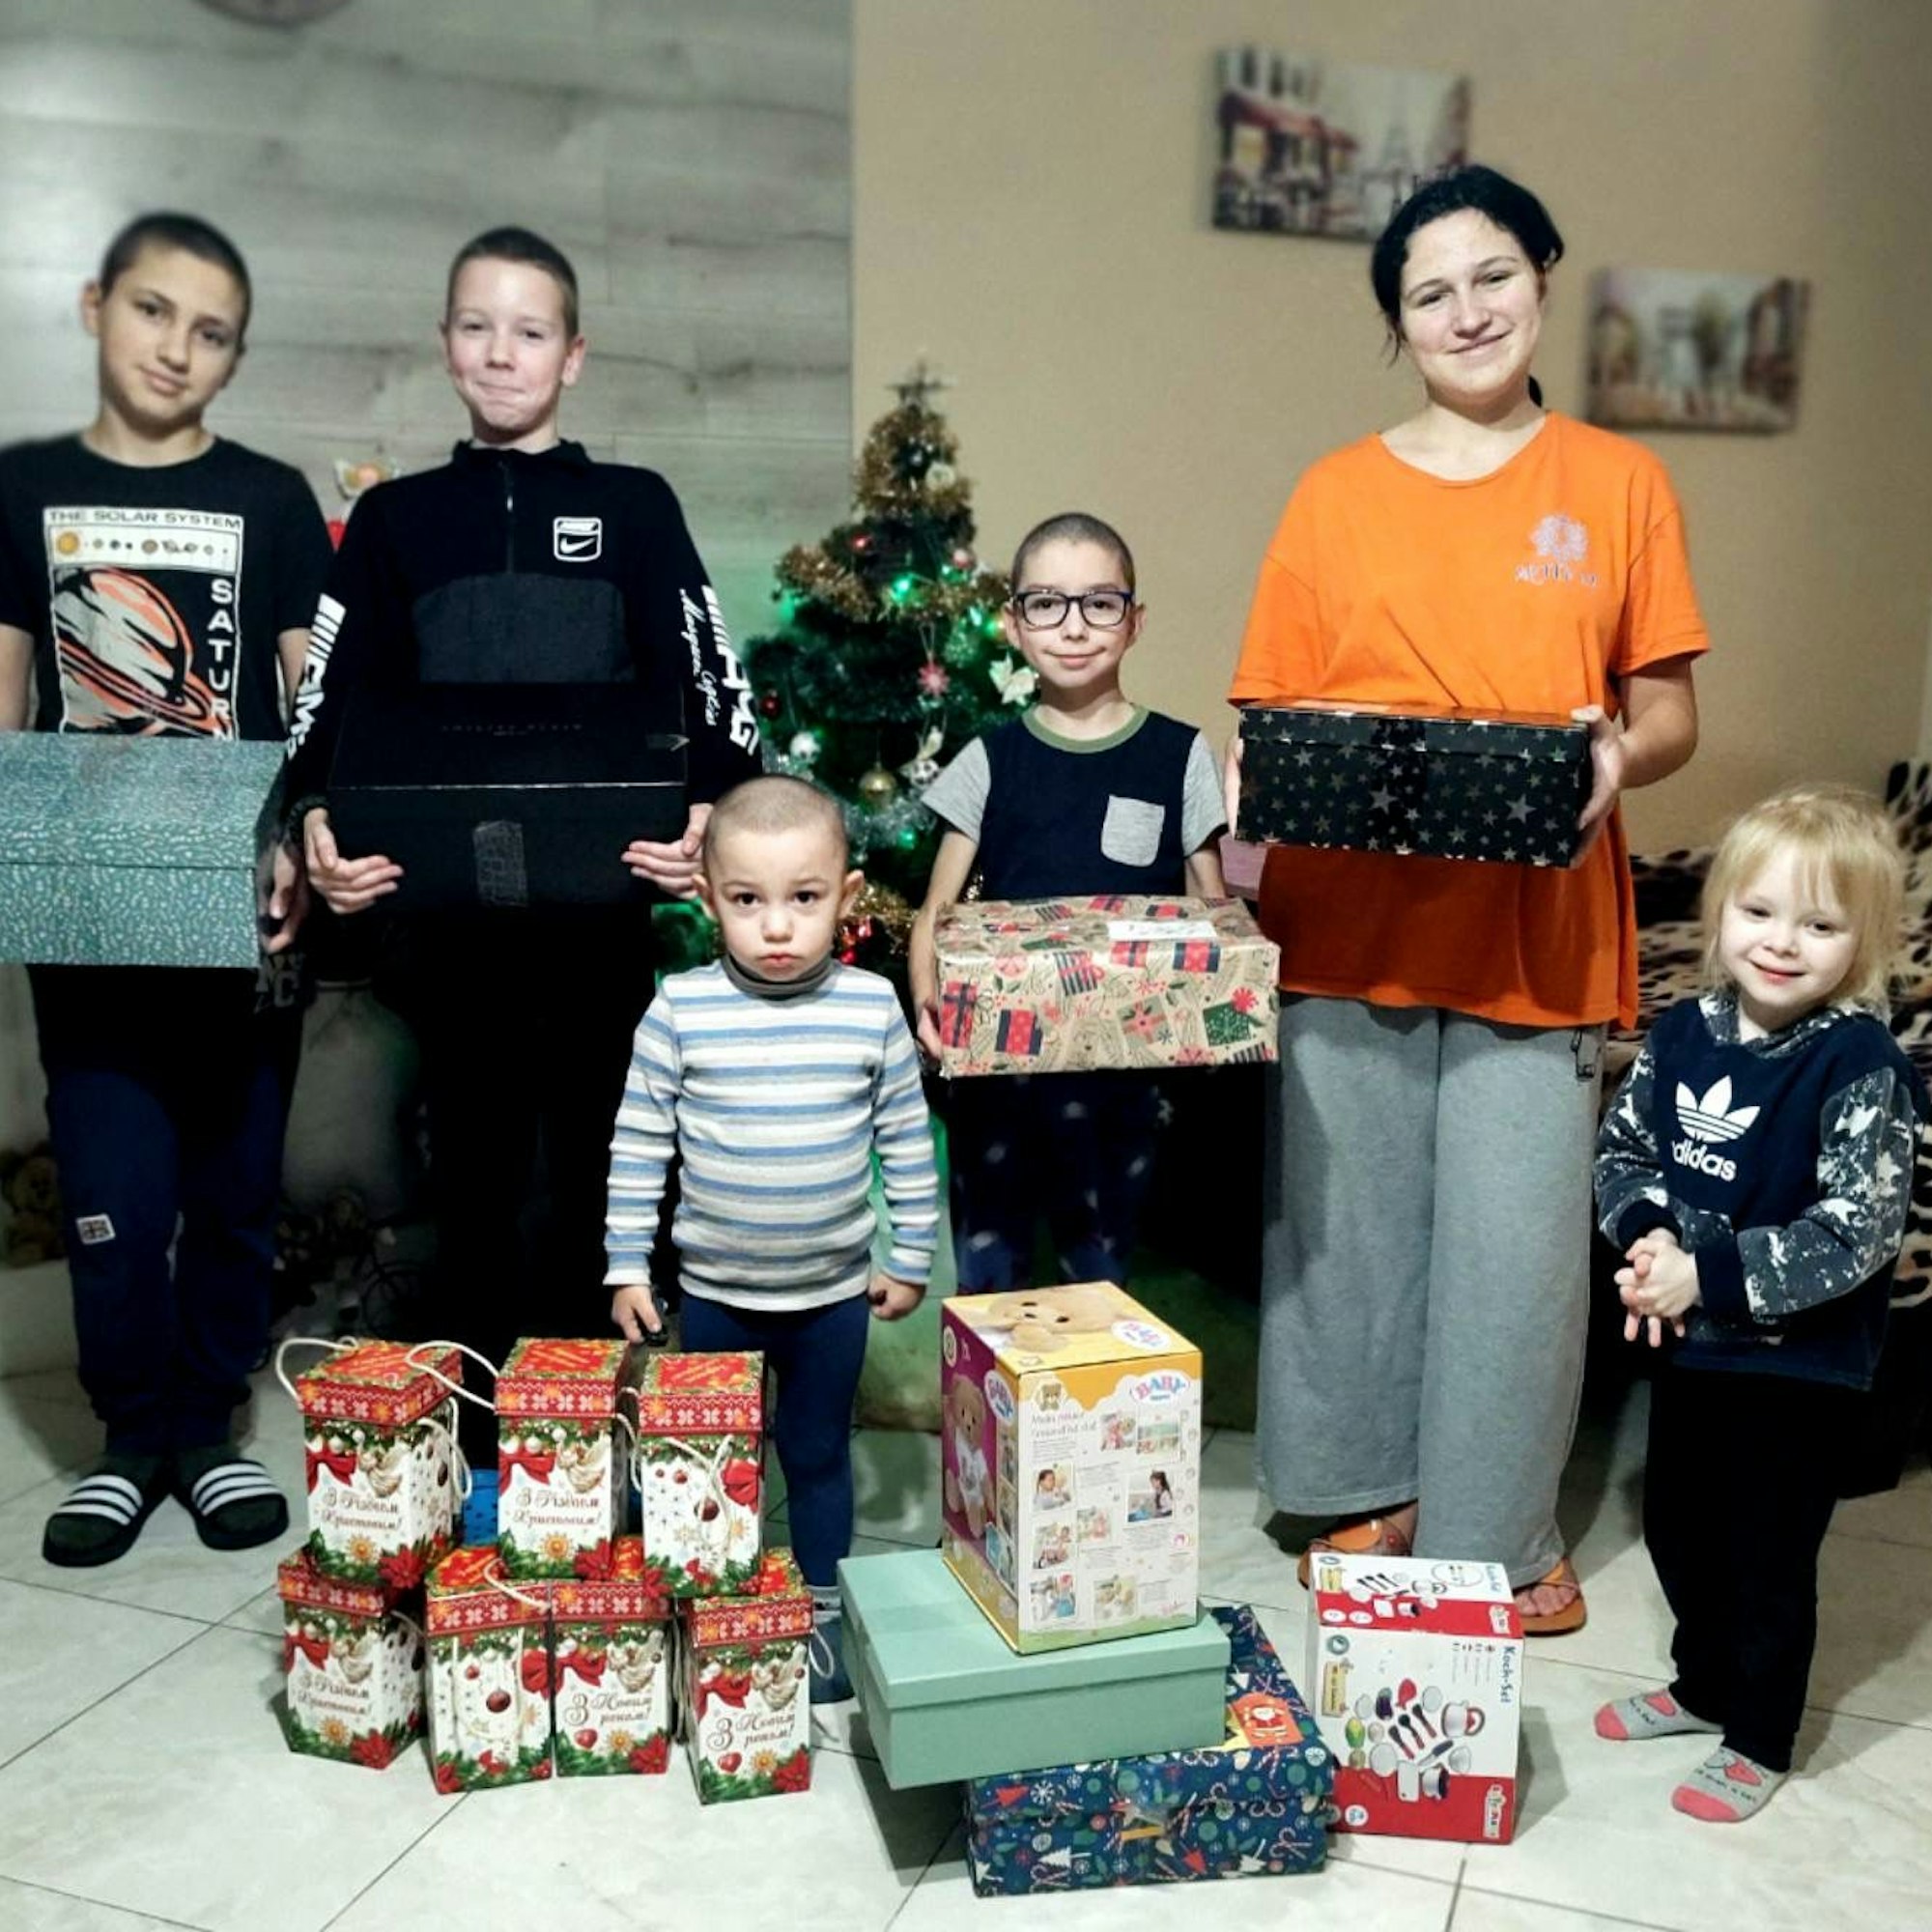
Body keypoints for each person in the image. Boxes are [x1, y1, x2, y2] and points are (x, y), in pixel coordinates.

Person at [1227, 165, 1707, 1634]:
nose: (1467, 310)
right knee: (1349, 1237)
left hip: (1539, 929)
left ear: (1543, 279)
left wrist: (1616, 756)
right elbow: (1265, 713)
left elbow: (1671, 711)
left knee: (1513, 1255)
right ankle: (1364, 1487)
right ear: (1399, 324)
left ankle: (1503, 1539)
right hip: (1351, 922)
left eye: (1492, 275)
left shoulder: (1618, 483)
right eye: (1430, 292)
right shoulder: (1333, 490)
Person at [283, 226, 759, 1463]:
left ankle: (597, 1433)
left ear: (575, 354)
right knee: (474, 1180)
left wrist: (709, 820)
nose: (502, 353)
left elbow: (712, 684)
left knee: (605, 1175)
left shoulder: (635, 509)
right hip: (444, 932)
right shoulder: (393, 521)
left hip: (600, 928)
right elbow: (329, 706)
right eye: (477, 325)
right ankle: (494, 1458)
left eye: (531, 330)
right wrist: (315, 821)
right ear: (445, 343)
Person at [0, 212, 331, 1565]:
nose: (174, 349)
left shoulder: (269, 495)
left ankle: (209, 1432)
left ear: (235, 355)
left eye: (209, 332)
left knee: (236, 1191)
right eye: (152, 312)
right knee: (112, 1196)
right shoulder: (20, 489)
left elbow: (311, 698)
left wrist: (303, 842)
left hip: (240, 906)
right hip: (86, 905)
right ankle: (126, 1440)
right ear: (95, 307)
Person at [1593, 784, 1926, 1821]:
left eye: (1820, 924)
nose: (1782, 943)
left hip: (1798, 1362)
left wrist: (1710, 1271)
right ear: (1720, 912)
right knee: (1678, 1527)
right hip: (1692, 1349)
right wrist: (1645, 1231)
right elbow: (1624, 1147)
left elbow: (1856, 1231)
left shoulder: (1858, 1061)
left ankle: (1759, 1729)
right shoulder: (1683, 1029)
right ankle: (1702, 1684)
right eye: (1759, 912)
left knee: (1766, 1552)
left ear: (1860, 941)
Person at [604, 776, 938, 1701]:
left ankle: (824, 1607)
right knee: (716, 1457)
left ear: (849, 894)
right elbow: (638, 1145)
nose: (778, 928)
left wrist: (909, 1255)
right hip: (713, 1297)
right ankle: (718, 1604)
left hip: (831, 1298)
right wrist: (627, 1264)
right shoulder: (680, 1010)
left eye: (805, 899)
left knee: (819, 1453)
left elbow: (907, 1142)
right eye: (748, 901)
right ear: (710, 899)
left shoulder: (871, 1008)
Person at [912, 512, 1227, 1290]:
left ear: (1134, 620)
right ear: (1014, 625)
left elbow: (1211, 909)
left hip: (1121, 1074)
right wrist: (927, 1000)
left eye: (1100, 602)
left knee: (1104, 1270)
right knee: (991, 1273)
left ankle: (1093, 1408)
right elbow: (936, 912)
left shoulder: (1178, 754)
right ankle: (987, 1407)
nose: (1074, 626)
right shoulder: (989, 758)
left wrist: (1214, 1007)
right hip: (998, 1070)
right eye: (1047, 604)